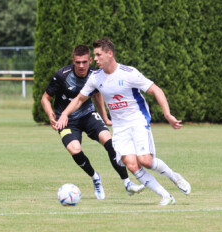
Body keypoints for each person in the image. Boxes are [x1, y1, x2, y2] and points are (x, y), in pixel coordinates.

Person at [55, 38, 191, 206]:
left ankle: (174, 176)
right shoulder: (95, 77)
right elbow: (80, 99)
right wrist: (64, 115)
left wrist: (168, 115)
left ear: (109, 54)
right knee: (131, 165)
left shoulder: (129, 73)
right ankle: (166, 196)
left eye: (98, 55)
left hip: (137, 120)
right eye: (95, 55)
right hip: (119, 126)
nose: (95, 59)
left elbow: (156, 90)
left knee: (146, 161)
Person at [41, 45, 145, 200]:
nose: (81, 66)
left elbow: (97, 96)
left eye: (84, 62)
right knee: (75, 149)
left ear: (90, 60)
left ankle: (127, 183)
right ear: (73, 61)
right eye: (78, 62)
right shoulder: (62, 75)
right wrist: (51, 115)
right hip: (66, 120)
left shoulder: (95, 75)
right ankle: (95, 177)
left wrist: (104, 116)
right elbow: (45, 98)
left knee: (109, 142)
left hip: (88, 115)